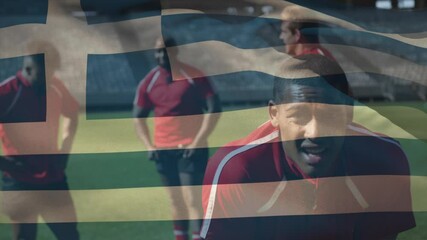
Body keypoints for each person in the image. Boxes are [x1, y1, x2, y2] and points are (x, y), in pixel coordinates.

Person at [201, 54, 415, 240]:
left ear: (348, 113)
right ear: (275, 115)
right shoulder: (236, 170)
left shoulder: (384, 161)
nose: (315, 133)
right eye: (299, 116)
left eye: (329, 114)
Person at [133, 37, 221, 240]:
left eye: (165, 51)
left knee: (192, 200)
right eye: (157, 52)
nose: (161, 55)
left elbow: (214, 109)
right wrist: (148, 145)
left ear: (175, 51)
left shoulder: (194, 76)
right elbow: (138, 117)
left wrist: (198, 141)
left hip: (190, 148)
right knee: (175, 201)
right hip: (163, 151)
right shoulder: (149, 81)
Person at [0, 41, 80, 240]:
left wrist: (65, 151)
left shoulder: (55, 86)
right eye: (45, 73)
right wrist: (2, 163)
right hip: (19, 182)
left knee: (70, 236)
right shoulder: (6, 93)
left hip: (53, 178)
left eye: (52, 72)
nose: (50, 78)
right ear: (27, 68)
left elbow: (72, 114)